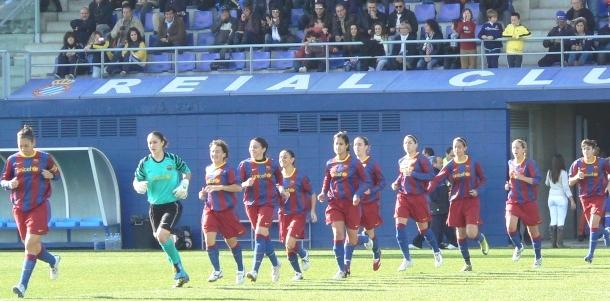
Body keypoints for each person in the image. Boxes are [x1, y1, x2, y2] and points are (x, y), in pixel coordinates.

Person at [2, 126, 60, 298]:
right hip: (19, 209)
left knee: (29, 245)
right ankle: (53, 260)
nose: (23, 148)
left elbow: (57, 174)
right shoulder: (12, 160)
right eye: (20, 145)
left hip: (39, 206)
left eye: (26, 145)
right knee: (33, 246)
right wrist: (8, 184)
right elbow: (3, 179)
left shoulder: (45, 158)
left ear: (33, 142)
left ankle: (22, 285)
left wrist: (50, 175)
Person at [133, 131, 191, 288]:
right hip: (154, 207)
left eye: (155, 142)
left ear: (162, 143)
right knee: (163, 239)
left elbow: (187, 172)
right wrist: (138, 185)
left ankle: (178, 270)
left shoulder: (173, 159)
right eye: (149, 143)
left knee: (162, 235)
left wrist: (184, 184)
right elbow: (136, 179)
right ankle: (181, 273)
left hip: (172, 204)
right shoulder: (144, 163)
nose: (152, 146)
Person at [427, 137, 490, 272]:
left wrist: (478, 190)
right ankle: (467, 264)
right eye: (455, 147)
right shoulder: (450, 165)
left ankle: (481, 238)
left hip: (471, 201)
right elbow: (438, 179)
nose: (457, 149)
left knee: (471, 233)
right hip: (456, 202)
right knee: (460, 235)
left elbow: (483, 179)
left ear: (465, 148)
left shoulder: (473, 162)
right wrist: (426, 189)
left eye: (460, 147)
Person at [317, 131, 371, 279]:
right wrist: (323, 192)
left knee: (352, 238)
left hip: (351, 204)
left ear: (347, 145)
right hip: (334, 203)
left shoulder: (354, 163)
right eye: (336, 143)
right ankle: (342, 269)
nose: (338, 146)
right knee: (338, 234)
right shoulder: (330, 163)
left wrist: (357, 194)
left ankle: (364, 239)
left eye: (341, 144)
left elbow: (366, 181)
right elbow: (327, 180)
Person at [391, 135, 442, 271]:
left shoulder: (422, 159)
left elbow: (431, 175)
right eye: (405, 142)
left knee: (423, 229)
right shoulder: (401, 160)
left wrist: (414, 174)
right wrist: (396, 183)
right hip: (403, 196)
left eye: (410, 142)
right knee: (399, 227)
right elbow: (402, 176)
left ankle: (437, 252)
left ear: (416, 145)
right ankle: (407, 259)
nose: (407, 145)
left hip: (418, 197)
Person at [199, 140, 246, 285]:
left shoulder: (229, 169)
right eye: (212, 151)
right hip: (210, 209)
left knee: (231, 242)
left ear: (224, 154)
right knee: (209, 240)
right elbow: (209, 189)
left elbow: (238, 188)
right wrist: (203, 194)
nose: (214, 154)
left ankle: (240, 269)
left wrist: (220, 187)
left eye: (218, 151)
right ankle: (217, 270)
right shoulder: (208, 169)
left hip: (226, 211)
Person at [239, 137, 284, 282]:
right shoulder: (244, 165)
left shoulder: (272, 164)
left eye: (256, 147)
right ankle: (276, 264)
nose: (252, 149)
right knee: (263, 237)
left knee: (259, 234)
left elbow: (280, 180)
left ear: (264, 149)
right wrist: (246, 183)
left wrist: (282, 189)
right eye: (251, 147)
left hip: (268, 203)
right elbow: (238, 184)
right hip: (250, 204)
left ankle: (254, 270)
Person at [346, 136, 385, 272]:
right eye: (355, 144)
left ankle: (376, 253)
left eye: (360, 144)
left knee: (370, 232)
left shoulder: (372, 164)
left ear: (367, 147)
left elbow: (382, 182)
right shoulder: (349, 163)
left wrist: (371, 190)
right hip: (353, 204)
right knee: (350, 235)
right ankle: (346, 266)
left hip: (369, 204)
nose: (357, 147)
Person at [568, 139, 610, 263]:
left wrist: (608, 185)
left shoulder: (602, 162)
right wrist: (577, 177)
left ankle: (590, 254)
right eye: (584, 149)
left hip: (599, 196)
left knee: (592, 224)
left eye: (588, 149)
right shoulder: (577, 164)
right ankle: (606, 232)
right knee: (594, 226)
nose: (586, 151)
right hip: (584, 198)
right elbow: (570, 182)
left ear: (593, 150)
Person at [278, 149, 317, 281]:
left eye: (285, 157)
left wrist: (312, 211)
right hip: (283, 215)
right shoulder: (277, 178)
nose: (282, 160)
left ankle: (303, 254)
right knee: (287, 245)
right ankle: (298, 273)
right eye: (280, 157)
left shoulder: (300, 177)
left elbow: (312, 193)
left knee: (289, 242)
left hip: (298, 214)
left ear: (292, 159)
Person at [503, 139, 543, 268]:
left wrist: (522, 178)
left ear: (524, 149)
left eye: (517, 147)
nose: (515, 150)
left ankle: (538, 258)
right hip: (513, 199)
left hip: (528, 201)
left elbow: (537, 180)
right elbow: (511, 180)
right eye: (513, 147)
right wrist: (508, 185)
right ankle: (519, 246)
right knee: (510, 227)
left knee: (533, 232)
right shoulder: (510, 163)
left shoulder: (530, 164)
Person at [545, 154, 576, 248]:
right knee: (561, 220)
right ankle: (560, 243)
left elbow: (547, 183)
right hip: (561, 198)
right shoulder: (563, 172)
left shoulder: (549, 172)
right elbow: (566, 188)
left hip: (551, 198)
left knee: (553, 219)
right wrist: (572, 200)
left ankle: (553, 243)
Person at [429, 156, 457, 249]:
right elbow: (431, 190)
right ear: (434, 164)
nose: (442, 165)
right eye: (440, 163)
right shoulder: (432, 174)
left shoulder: (441, 174)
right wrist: (436, 200)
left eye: (442, 163)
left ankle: (451, 243)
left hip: (443, 204)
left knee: (445, 225)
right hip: (436, 205)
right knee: (436, 226)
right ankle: (436, 245)